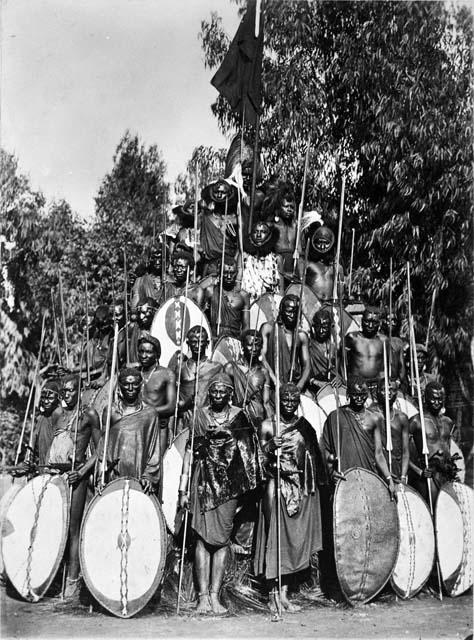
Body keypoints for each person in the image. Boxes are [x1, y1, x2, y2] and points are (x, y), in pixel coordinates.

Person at [178, 373, 263, 615]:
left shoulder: (239, 416)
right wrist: (183, 489)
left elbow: (248, 453)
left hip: (229, 487)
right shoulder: (200, 416)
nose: (217, 395)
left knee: (222, 539)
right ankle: (202, 597)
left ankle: (216, 596)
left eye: (222, 391)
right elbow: (188, 452)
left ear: (229, 393)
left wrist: (246, 489)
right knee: (203, 540)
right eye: (213, 391)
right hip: (203, 482)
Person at [254, 383, 326, 612]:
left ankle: (284, 594)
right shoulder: (268, 425)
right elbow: (254, 461)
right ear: (278, 400)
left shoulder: (304, 427)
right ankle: (271, 593)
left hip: (297, 486)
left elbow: (314, 458)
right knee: (273, 536)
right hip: (275, 486)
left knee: (289, 541)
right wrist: (268, 447)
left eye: (293, 400)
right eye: (284, 399)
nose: (288, 404)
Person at [47, 375, 100, 598]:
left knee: (73, 528)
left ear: (80, 390)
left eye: (70, 391)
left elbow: (100, 450)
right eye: (63, 392)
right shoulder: (58, 414)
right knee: (55, 527)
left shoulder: (88, 414)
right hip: (55, 475)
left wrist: (81, 472)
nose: (66, 395)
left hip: (75, 476)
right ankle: (53, 577)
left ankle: (72, 581)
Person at [322, 376, 396, 499]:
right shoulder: (335, 417)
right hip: (345, 477)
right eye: (355, 394)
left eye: (363, 394)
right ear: (348, 394)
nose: (359, 398)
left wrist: (389, 479)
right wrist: (331, 472)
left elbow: (378, 454)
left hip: (369, 475)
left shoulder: (375, 418)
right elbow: (325, 449)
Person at [409, 381, 458, 503]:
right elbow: (403, 454)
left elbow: (448, 448)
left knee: (448, 510)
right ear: (426, 398)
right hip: (428, 475)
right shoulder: (416, 421)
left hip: (446, 474)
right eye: (434, 399)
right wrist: (419, 471)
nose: (437, 402)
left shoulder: (448, 422)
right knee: (432, 511)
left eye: (440, 399)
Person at [175, 326, 222, 432]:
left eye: (201, 342)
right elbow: (175, 397)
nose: (197, 346)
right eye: (194, 342)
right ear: (188, 343)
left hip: (208, 419)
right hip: (185, 421)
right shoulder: (181, 368)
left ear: (207, 343)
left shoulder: (216, 367)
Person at [261, 295, 311, 390]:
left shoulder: (301, 336)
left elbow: (307, 366)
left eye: (295, 312)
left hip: (293, 385)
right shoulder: (268, 329)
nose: (292, 315)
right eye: (289, 311)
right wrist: (276, 382)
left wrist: (298, 387)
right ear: (281, 310)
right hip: (272, 386)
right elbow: (262, 358)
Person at [137, 334, 176, 453]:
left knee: (156, 466)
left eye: (148, 352)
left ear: (157, 355)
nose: (144, 355)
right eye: (141, 351)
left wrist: (147, 412)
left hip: (158, 427)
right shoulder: (134, 374)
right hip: (135, 427)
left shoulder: (167, 374)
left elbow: (171, 407)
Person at [224, 329, 273, 423]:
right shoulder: (231, 368)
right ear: (242, 346)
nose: (254, 349)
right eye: (250, 345)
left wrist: (270, 425)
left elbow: (266, 403)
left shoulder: (263, 372)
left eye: (257, 345)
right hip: (238, 421)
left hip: (258, 419)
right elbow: (225, 399)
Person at [370, 378, 410, 482]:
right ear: (376, 392)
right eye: (384, 389)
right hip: (376, 469)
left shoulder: (402, 418)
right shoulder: (370, 415)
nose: (388, 393)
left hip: (397, 470)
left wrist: (403, 476)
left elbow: (405, 452)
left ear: (397, 393)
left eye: (391, 390)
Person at [200, 179, 239, 278]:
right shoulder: (207, 217)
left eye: (223, 193)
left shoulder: (234, 219)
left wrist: (233, 263)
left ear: (229, 194)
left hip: (230, 266)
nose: (219, 195)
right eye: (217, 192)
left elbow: (239, 246)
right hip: (211, 266)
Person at [203, 257, 250, 339]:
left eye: (232, 273)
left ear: (237, 273)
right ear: (219, 272)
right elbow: (203, 320)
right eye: (225, 273)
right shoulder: (210, 291)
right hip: (215, 339)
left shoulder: (243, 296)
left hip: (235, 340)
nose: (228, 276)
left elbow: (246, 327)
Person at [345, 306, 384, 398]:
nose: (370, 326)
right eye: (367, 321)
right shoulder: (352, 338)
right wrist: (344, 381)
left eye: (374, 323)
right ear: (362, 321)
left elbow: (386, 366)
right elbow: (342, 361)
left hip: (377, 386)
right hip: (356, 386)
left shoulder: (383, 340)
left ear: (379, 324)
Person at [262, 181, 298, 276]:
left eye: (292, 207)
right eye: (286, 206)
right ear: (279, 207)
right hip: (276, 267)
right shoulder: (271, 226)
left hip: (293, 268)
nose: (289, 210)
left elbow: (300, 252)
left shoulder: (296, 226)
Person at [241, 221, 282, 303]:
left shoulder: (276, 259)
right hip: (249, 303)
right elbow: (237, 284)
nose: (259, 235)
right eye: (255, 232)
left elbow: (281, 289)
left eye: (263, 232)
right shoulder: (244, 257)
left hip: (272, 303)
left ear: (269, 235)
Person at [305, 225, 343, 302]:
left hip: (329, 304)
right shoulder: (308, 264)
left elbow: (341, 293)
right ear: (314, 243)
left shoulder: (337, 267)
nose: (322, 247)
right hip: (312, 304)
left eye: (326, 243)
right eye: (319, 242)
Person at [308, 308, 340, 395]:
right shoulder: (308, 345)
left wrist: (339, 378)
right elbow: (301, 371)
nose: (321, 331)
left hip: (333, 388)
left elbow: (342, 372)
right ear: (313, 327)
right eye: (318, 327)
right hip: (311, 389)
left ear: (331, 326)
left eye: (325, 327)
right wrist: (315, 381)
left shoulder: (335, 347)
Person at [130, 244, 164, 310]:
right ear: (149, 260)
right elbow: (134, 307)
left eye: (160, 258)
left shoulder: (171, 281)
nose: (157, 262)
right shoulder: (140, 281)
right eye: (154, 258)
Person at [128, 297, 157, 364]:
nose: (141, 316)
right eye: (140, 313)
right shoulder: (134, 328)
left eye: (144, 313)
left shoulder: (157, 330)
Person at [380, 310, 407, 383]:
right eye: (388, 320)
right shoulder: (378, 338)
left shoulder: (398, 342)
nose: (391, 323)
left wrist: (400, 380)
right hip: (379, 379)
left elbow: (401, 365)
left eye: (394, 320)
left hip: (393, 380)